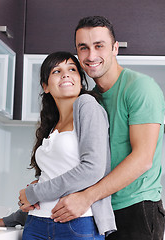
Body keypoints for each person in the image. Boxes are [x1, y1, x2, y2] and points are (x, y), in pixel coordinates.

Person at [50, 16, 165, 240]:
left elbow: (143, 159)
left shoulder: (140, 88)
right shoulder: (89, 99)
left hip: (136, 209)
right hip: (101, 210)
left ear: (115, 48)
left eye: (99, 46)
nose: (91, 56)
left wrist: (86, 197)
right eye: (83, 48)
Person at [18, 51, 116, 240]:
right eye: (56, 71)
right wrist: (10, 218)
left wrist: (33, 193)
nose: (65, 74)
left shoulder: (87, 105)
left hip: (78, 223)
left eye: (72, 69)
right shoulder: (51, 125)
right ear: (45, 86)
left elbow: (92, 169)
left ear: (80, 80)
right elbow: (49, 180)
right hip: (36, 223)